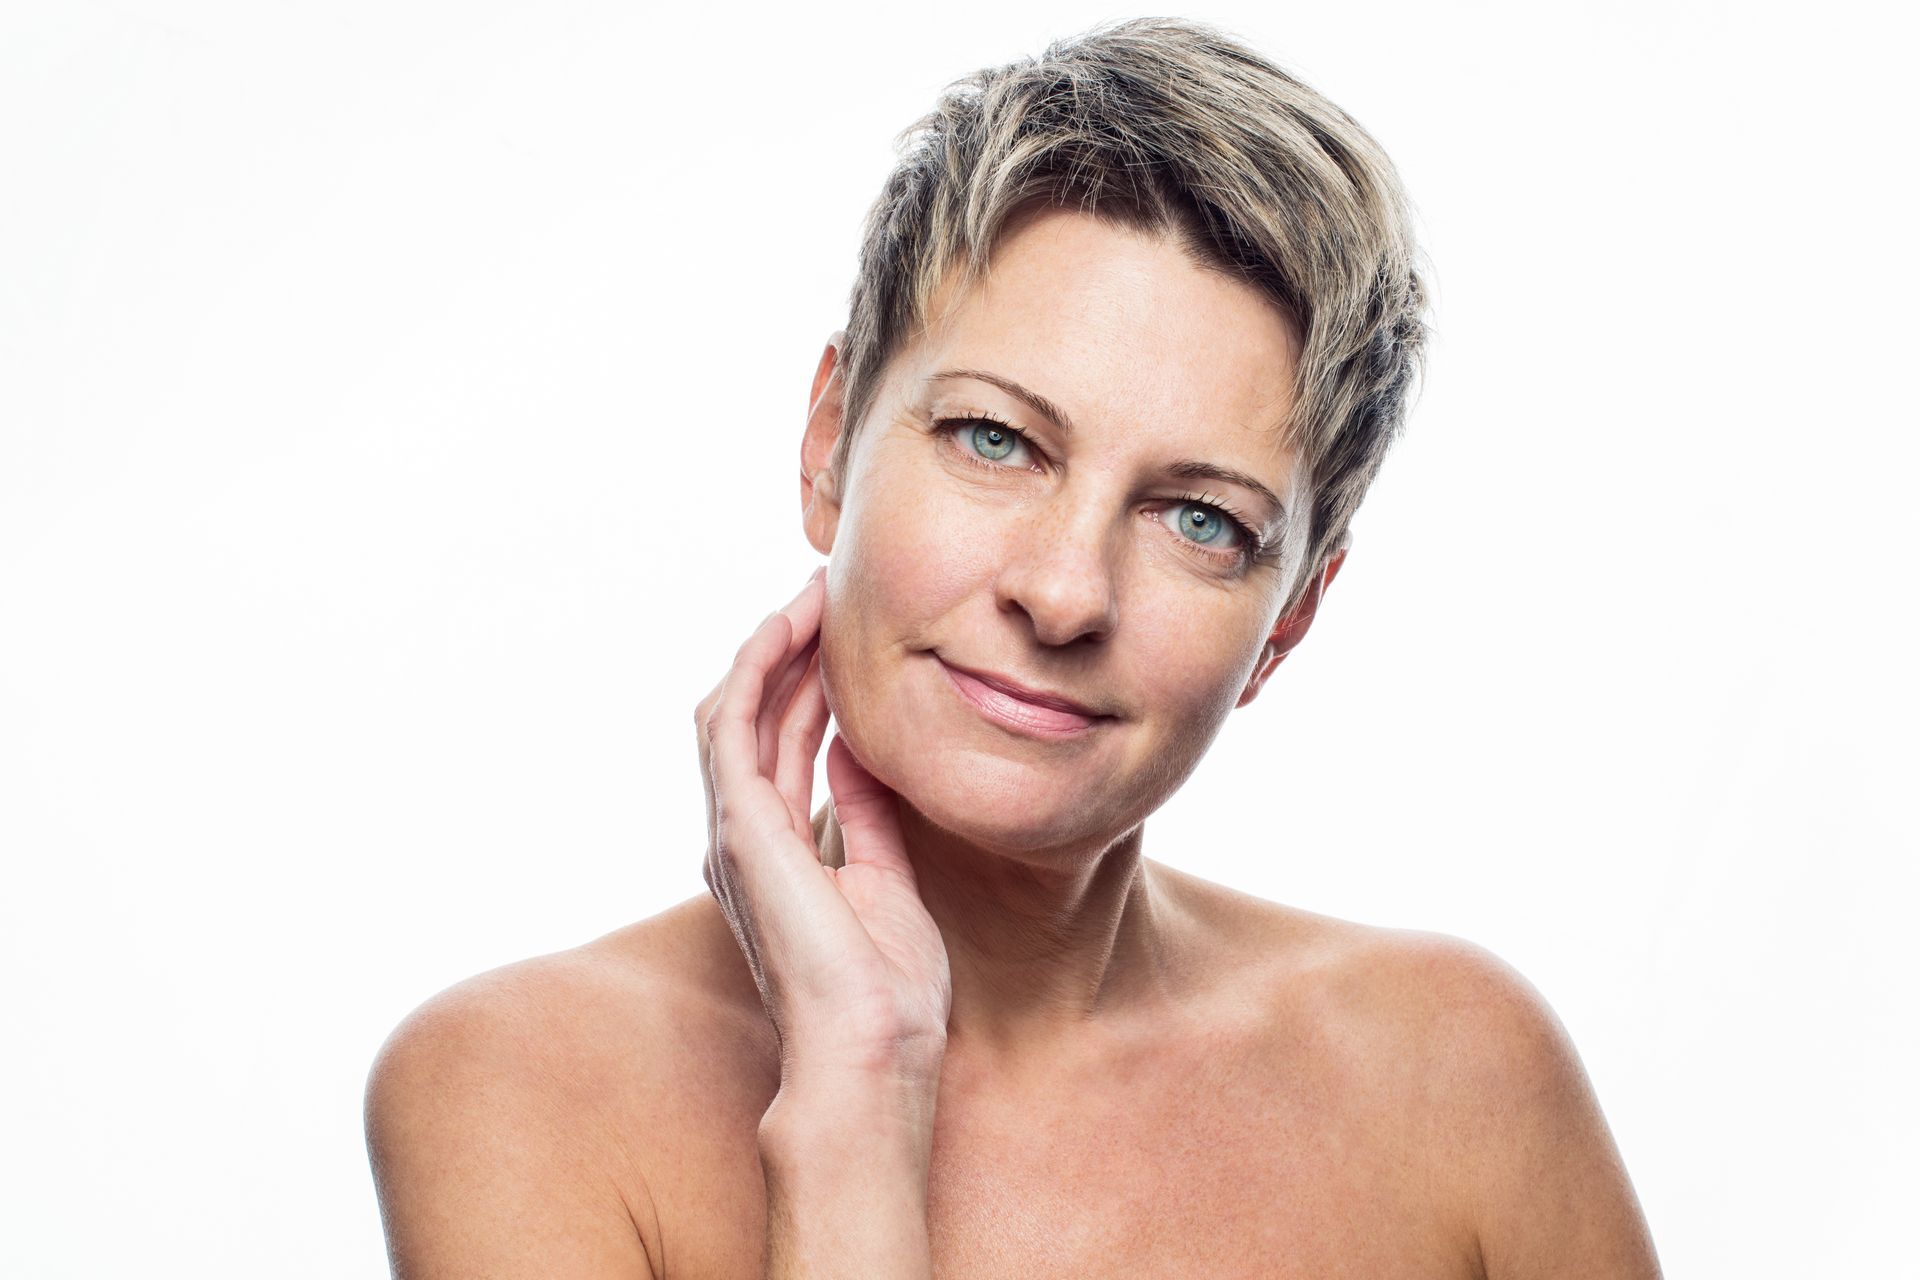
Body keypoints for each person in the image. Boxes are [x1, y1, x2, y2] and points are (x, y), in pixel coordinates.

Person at [365, 18, 1662, 1278]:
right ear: (831, 444)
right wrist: (856, 1106)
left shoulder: (1459, 1079)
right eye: (997, 440)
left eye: (1201, 520)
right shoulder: (515, 1092)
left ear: (1290, 620)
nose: (1061, 593)